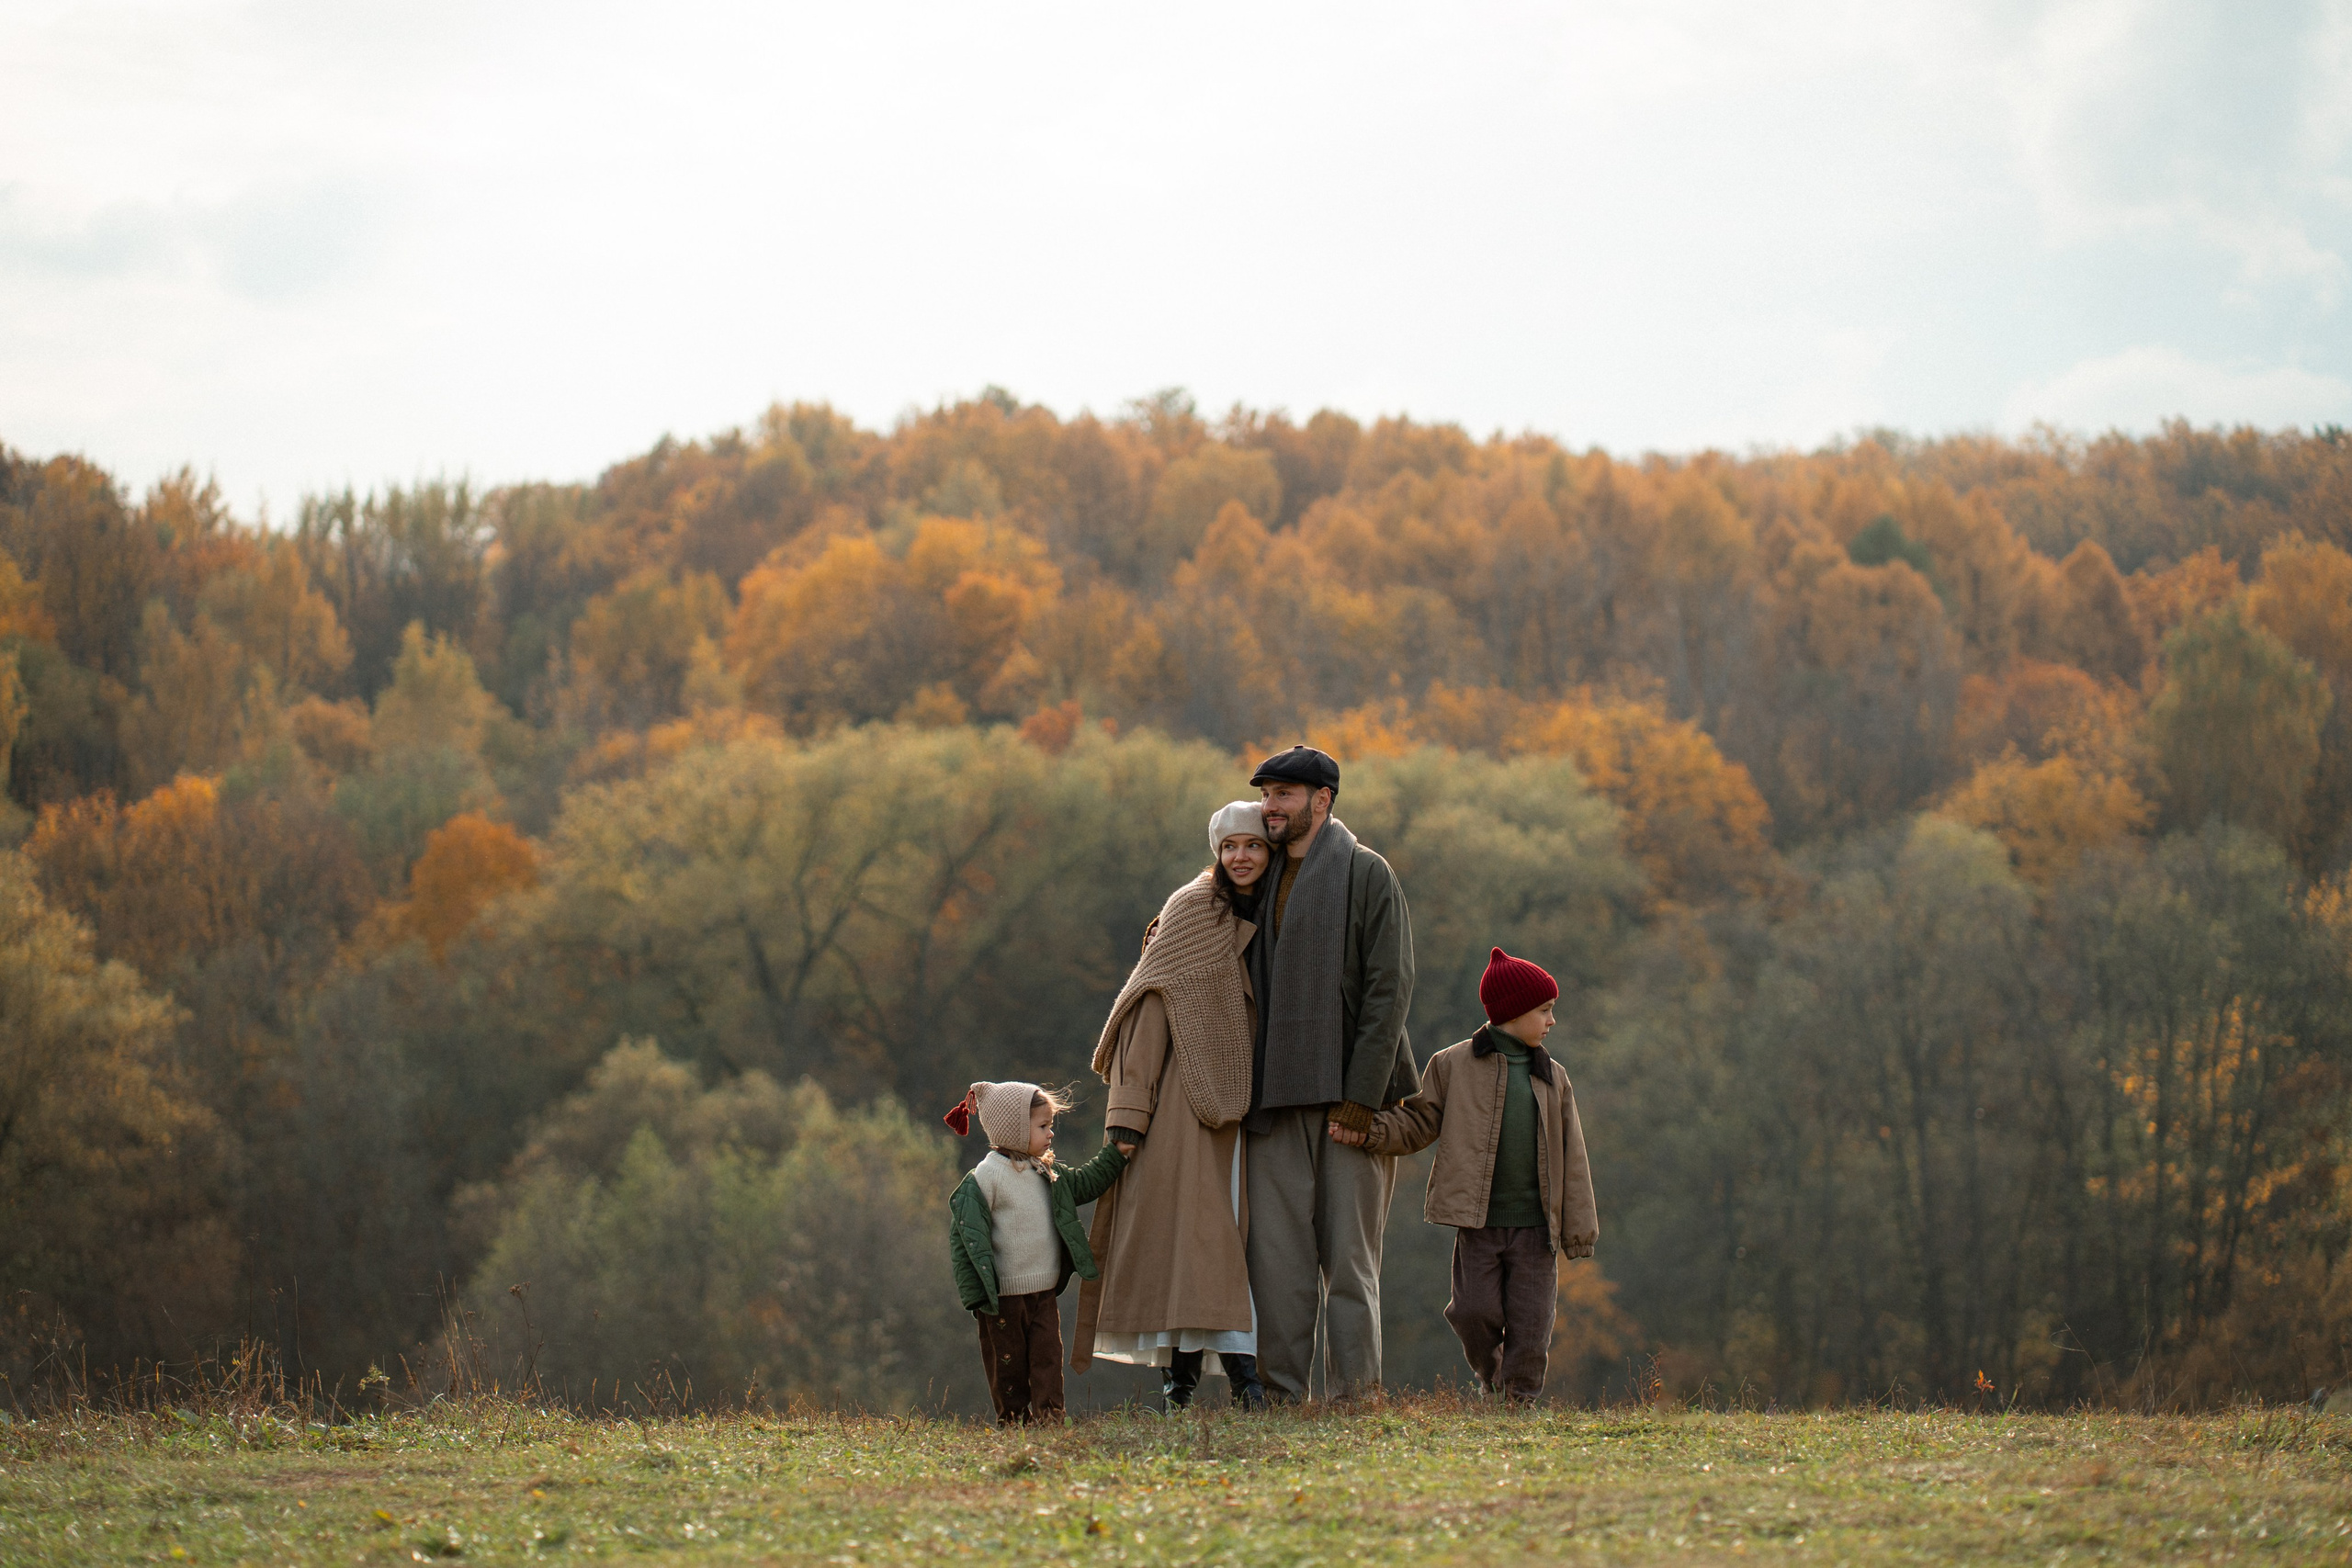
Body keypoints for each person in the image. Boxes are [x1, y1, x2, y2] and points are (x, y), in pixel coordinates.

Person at [1329, 948, 1598, 1404]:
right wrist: (1369, 1130)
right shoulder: (1451, 1065)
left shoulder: (1554, 1077)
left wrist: (1579, 1228)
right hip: (1479, 1224)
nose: (1552, 1021)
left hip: (1537, 1230)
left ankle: (1519, 1402)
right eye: (1545, 1011)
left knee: (1532, 1325)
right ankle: (1491, 1376)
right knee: (1474, 1313)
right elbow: (1416, 1123)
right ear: (1514, 1012)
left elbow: (1575, 1159)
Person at [1074, 801, 1272, 1410]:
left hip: (1250, 1110)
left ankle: (1186, 1383)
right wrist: (1127, 1118)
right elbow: (1148, 1014)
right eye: (1230, 845)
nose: (1241, 856)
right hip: (1188, 1109)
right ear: (1216, 851)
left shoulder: (1270, 909)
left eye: (1254, 845)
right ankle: (1235, 1383)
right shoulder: (1191, 911)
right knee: (1200, 1243)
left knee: (1214, 1246)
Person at [1242, 744, 1419, 1402]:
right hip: (1271, 1099)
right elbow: (1206, 935)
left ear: (1322, 799)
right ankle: (1281, 1398)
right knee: (1277, 1266)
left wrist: (1362, 1097)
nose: (1270, 806)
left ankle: (1355, 1397)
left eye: (1283, 793)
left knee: (1349, 1263)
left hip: (1349, 1104)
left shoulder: (1368, 873)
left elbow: (1390, 987)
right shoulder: (1252, 875)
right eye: (1265, 794)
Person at [945, 1080, 1129, 1426]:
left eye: (1050, 1126)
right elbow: (964, 1239)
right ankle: (1013, 1420)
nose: (1050, 1134)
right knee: (1008, 1364)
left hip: (1044, 1293)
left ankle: (1050, 1417)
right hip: (1002, 1298)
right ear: (1014, 1129)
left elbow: (1087, 1182)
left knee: (1047, 1358)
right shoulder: (986, 1178)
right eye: (1043, 1126)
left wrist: (1115, 1155)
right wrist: (976, 1295)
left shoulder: (1046, 1172)